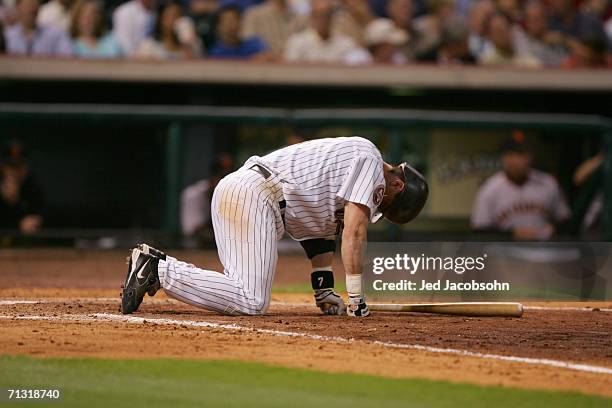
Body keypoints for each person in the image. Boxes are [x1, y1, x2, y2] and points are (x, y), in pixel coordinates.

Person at [121, 137, 428, 316]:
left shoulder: (351, 168)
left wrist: (324, 288)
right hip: (256, 194)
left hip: (251, 193)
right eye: (384, 205)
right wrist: (357, 297)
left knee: (248, 292)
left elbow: (320, 231)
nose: (378, 207)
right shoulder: (370, 161)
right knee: (251, 300)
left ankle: (157, 267)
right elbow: (354, 232)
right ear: (397, 185)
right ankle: (158, 270)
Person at [471, 134, 570, 241]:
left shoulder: (548, 183)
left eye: (521, 154)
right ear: (504, 158)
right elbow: (480, 229)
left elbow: (565, 220)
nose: (516, 160)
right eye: (511, 155)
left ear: (529, 157)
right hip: (504, 251)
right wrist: (510, 234)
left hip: (544, 249)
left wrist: (553, 228)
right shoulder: (490, 188)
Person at [284, 0, 365, 63]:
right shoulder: (297, 42)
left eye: (326, 15)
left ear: (332, 18)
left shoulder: (347, 44)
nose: (322, 20)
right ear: (312, 17)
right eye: (318, 15)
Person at [0, 141, 44, 235]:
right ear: (3, 167)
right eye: (11, 166)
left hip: (23, 245)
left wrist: (36, 220)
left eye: (19, 166)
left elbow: (42, 215)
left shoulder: (33, 188)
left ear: (26, 167)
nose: (15, 172)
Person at [4, 0, 73, 56]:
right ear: (18, 7)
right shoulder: (7, 36)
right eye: (28, 5)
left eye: (34, 4)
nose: (32, 8)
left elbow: (68, 58)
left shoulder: (56, 34)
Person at [240, 0, 305, 57]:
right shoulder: (253, 15)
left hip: (292, 65)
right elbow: (247, 42)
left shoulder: (300, 18)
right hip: (262, 66)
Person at [136, 2, 201, 59]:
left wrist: (188, 43)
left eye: (178, 16)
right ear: (160, 20)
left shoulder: (193, 44)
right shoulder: (149, 46)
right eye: (171, 16)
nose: (175, 21)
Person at [513, 0, 566, 66]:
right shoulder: (520, 38)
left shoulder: (556, 40)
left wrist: (565, 41)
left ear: (546, 20)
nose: (535, 24)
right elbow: (529, 62)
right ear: (526, 22)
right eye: (531, 20)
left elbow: (565, 64)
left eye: (538, 19)